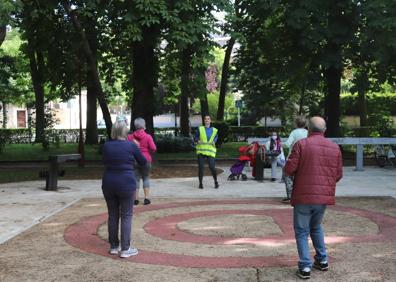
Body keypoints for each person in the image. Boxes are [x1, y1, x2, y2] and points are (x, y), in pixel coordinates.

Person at [284, 116, 343, 280]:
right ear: (324, 130)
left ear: (308, 129)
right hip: (322, 198)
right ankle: (322, 260)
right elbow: (338, 174)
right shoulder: (334, 148)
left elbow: (289, 169)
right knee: (316, 227)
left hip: (303, 195)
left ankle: (305, 267)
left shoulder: (301, 145)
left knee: (302, 231)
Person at [102, 120, 147, 258]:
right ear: (125, 131)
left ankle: (114, 246)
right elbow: (143, 162)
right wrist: (137, 148)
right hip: (126, 182)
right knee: (126, 215)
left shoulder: (106, 146)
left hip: (108, 182)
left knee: (113, 215)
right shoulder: (131, 145)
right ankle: (125, 248)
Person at [128, 118, 157, 206]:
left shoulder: (130, 137)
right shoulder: (148, 137)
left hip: (134, 160)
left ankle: (135, 199)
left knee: (135, 179)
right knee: (146, 178)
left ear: (135, 126)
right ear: (144, 126)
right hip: (146, 159)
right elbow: (153, 148)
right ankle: (146, 198)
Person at [282, 116, 308, 203]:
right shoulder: (308, 133)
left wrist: (280, 144)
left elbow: (288, 144)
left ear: (295, 124)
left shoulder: (294, 132)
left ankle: (290, 196)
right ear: (305, 124)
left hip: (293, 157)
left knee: (288, 175)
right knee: (302, 177)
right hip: (305, 158)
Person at [195, 115, 219, 189]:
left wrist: (214, 141)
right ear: (204, 121)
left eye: (208, 119)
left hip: (210, 151)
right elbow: (195, 137)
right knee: (201, 168)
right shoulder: (200, 129)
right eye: (205, 119)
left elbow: (216, 137)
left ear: (210, 121)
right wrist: (197, 140)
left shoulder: (214, 130)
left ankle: (216, 181)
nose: (207, 120)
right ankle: (200, 183)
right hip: (201, 151)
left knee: (212, 167)